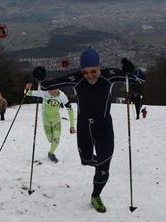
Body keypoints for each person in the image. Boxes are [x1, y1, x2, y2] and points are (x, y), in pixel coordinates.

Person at [38, 48, 145, 213]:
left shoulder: (109, 75)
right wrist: (40, 77)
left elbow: (141, 80)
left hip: (104, 127)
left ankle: (96, 195)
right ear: (81, 71)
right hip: (84, 127)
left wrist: (133, 70)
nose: (90, 75)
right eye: (85, 72)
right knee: (86, 160)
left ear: (99, 68)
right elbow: (47, 85)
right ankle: (98, 162)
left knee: (103, 165)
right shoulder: (77, 78)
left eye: (93, 71)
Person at [24, 85, 76, 163]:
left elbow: (70, 110)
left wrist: (72, 126)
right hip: (46, 120)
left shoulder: (62, 96)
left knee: (56, 140)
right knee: (50, 140)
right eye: (49, 90)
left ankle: (51, 153)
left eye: (53, 89)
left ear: (58, 88)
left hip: (56, 120)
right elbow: (27, 93)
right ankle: (52, 146)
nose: (51, 92)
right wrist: (27, 88)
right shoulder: (44, 93)